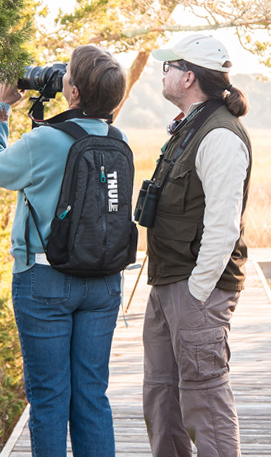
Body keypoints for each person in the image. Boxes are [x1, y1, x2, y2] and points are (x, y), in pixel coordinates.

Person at [0, 45, 126, 457]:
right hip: (103, 284)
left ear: (73, 93)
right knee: (92, 396)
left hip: (44, 281)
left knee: (49, 399)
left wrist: (1, 108)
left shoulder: (45, 141)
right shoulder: (119, 138)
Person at [142, 34, 251, 457]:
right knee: (161, 395)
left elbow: (223, 226)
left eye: (168, 67)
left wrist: (196, 293)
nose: (163, 73)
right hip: (168, 281)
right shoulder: (191, 125)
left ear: (188, 77)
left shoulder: (219, 134)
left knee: (204, 400)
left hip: (195, 288)